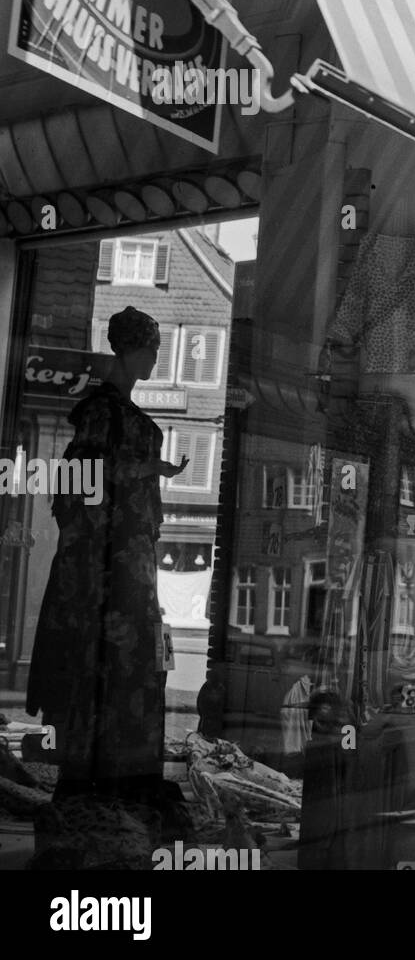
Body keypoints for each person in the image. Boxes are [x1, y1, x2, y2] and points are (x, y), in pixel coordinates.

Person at [25, 306, 190, 827]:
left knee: (132, 664)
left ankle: (122, 775)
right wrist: (150, 468)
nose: (154, 357)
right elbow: (79, 480)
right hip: (107, 564)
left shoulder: (115, 408)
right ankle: (101, 778)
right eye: (151, 348)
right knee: (111, 663)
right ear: (131, 348)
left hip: (128, 557)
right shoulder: (101, 410)